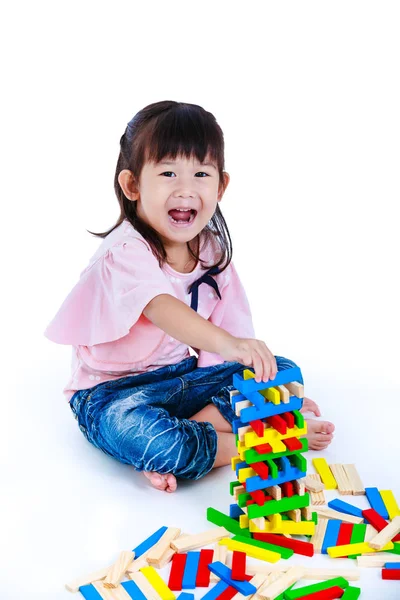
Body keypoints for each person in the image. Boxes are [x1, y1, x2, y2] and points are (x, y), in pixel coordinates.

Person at [44, 100, 335, 493]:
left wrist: (250, 367)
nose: (186, 189)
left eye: (201, 173)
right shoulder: (126, 250)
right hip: (114, 395)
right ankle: (263, 440)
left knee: (281, 371)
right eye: (167, 173)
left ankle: (193, 439)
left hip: (185, 378)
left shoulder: (212, 249)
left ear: (221, 186)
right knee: (142, 434)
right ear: (132, 185)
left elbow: (231, 324)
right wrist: (233, 350)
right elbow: (162, 307)